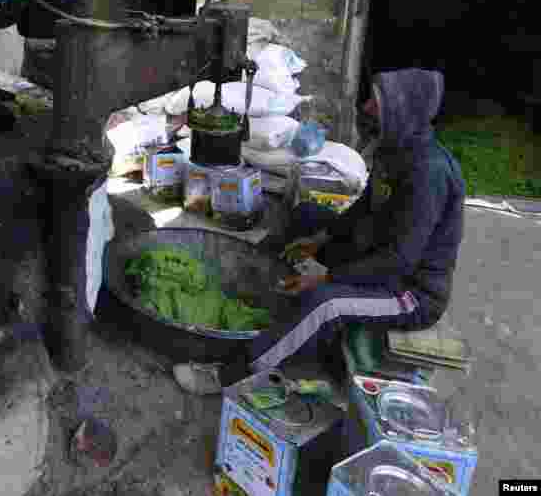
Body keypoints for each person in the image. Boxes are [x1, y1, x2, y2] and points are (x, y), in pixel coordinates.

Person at [179, 68, 466, 393]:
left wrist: (329, 278)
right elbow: (363, 207)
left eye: (377, 103)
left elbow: (398, 260)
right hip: (375, 256)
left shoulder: (429, 174)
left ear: (403, 112)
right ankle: (253, 282)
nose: (367, 108)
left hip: (408, 292)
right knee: (307, 215)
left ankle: (228, 375)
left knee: (325, 302)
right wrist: (321, 238)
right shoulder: (393, 149)